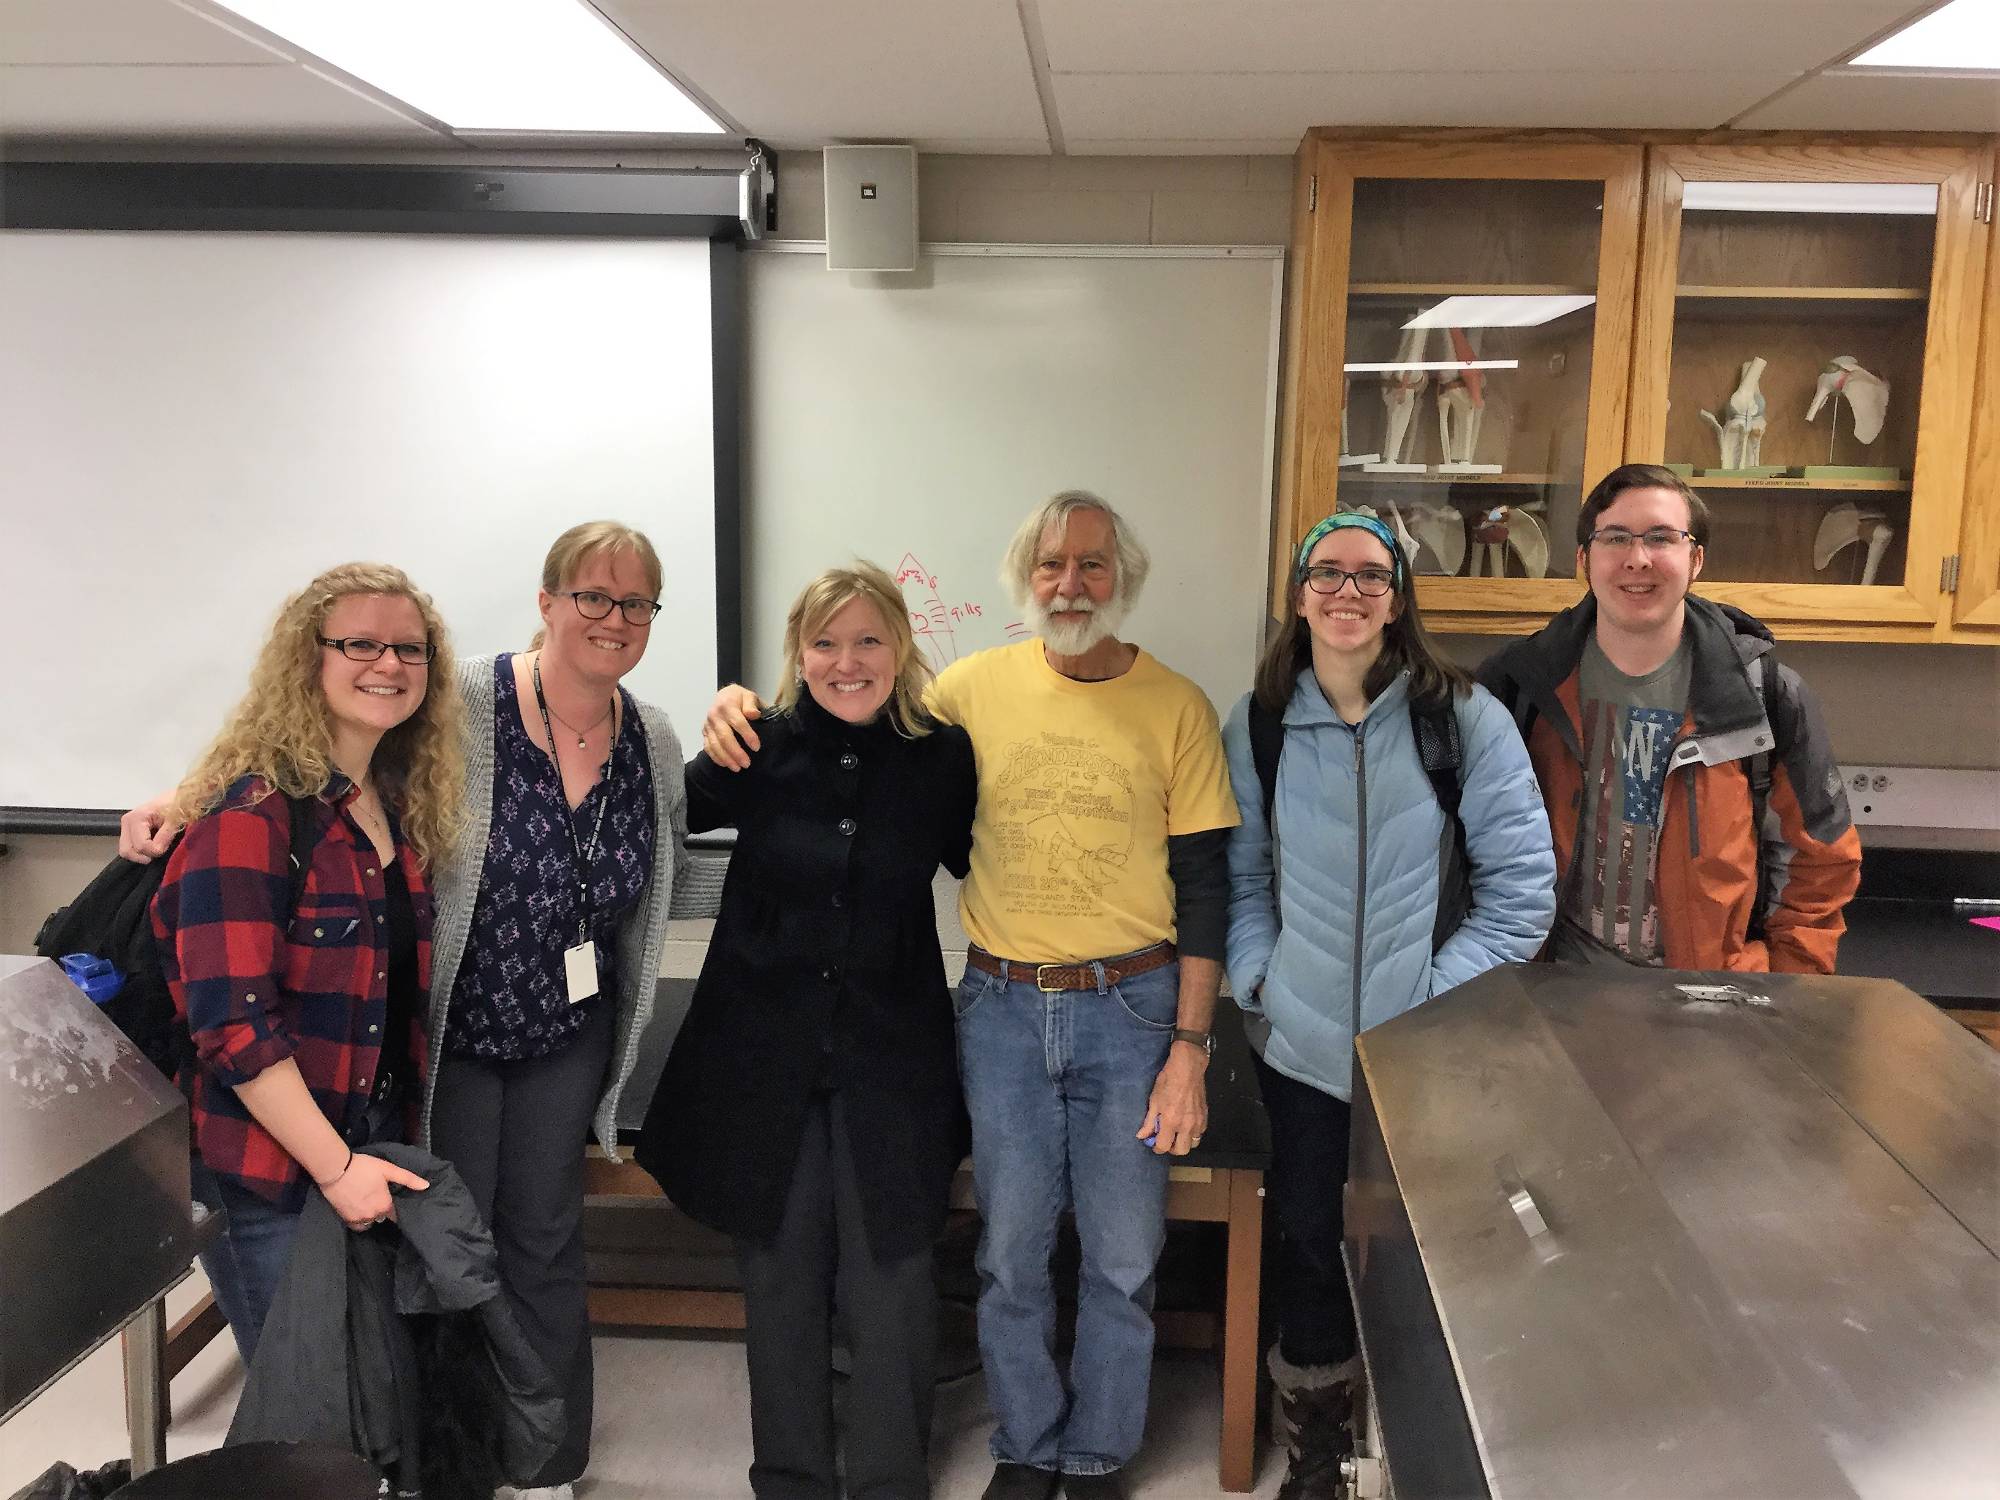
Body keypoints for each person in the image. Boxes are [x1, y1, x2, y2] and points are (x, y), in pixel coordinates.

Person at [125, 521, 699, 1500]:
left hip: (563, 1032)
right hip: (451, 1040)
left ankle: (547, 1458)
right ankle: (460, 1462)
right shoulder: (462, 700)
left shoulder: (650, 736)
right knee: (448, 1254)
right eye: (591, 596)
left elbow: (665, 875)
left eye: (635, 602)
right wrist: (185, 794)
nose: (612, 618)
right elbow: (293, 749)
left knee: (546, 1240)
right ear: (547, 600)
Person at [704, 491, 1239, 1500]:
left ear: (1121, 579)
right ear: (1022, 580)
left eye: (1089, 566)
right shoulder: (964, 694)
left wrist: (1189, 1047)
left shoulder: (1177, 706)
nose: (1068, 584)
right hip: (996, 1009)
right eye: (1049, 566)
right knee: (1006, 1253)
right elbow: (857, 744)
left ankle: (1096, 1455)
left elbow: (1209, 885)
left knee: (1122, 1259)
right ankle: (1028, 1448)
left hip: (1131, 1011)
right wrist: (742, 708)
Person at [1221, 513, 1555, 1496]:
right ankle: (1316, 1446)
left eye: (1371, 575)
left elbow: (1519, 892)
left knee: (1437, 1251)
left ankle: (1437, 1449)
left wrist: (1427, 1003)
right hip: (1302, 1048)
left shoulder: (1461, 720)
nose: (1347, 591)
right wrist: (1260, 983)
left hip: (1428, 1046)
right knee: (1307, 1239)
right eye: (1326, 573)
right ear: (1298, 595)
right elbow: (1238, 879)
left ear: (1397, 599)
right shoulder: (1260, 723)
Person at [637, 562, 977, 1500]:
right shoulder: (756, 743)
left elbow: (993, 856)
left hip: (893, 1054)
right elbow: (655, 809)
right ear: (798, 652)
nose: (846, 660)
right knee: (782, 1277)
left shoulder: (945, 756)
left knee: (895, 1277)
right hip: (762, 1056)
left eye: (868, 639)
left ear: (901, 647)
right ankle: (788, 1478)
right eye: (824, 642)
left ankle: (888, 1481)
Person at [150, 561, 463, 1360]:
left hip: (368, 1142)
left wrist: (366, 1159)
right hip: (273, 1176)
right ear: (308, 660)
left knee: (361, 1396)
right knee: (306, 1417)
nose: (389, 665)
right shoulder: (249, 820)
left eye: (409, 649)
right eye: (359, 643)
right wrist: (335, 1169)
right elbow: (233, 1029)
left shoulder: (389, 807)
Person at [1477, 464, 1861, 972]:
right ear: (1583, 559)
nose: (1638, 559)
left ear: (1695, 558)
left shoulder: (1762, 695)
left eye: (1662, 537)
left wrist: (1784, 993)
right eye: (1615, 538)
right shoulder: (1520, 685)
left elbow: (1821, 864)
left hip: (1709, 1007)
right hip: (1551, 993)